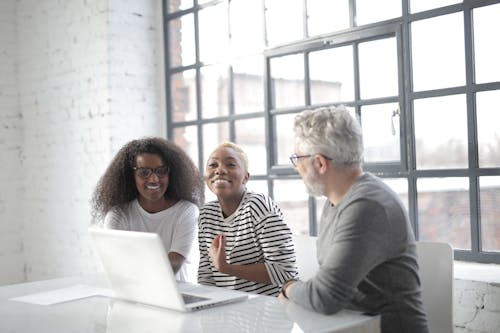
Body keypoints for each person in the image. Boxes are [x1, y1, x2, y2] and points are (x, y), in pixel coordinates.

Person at [280, 107, 429, 333]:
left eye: (297, 158)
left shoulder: (367, 206)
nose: (296, 167)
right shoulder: (335, 200)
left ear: (320, 163)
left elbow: (324, 297)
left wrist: (289, 287)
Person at [91, 137, 204, 282]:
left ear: (171, 173)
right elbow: (117, 268)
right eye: (144, 172)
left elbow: (173, 265)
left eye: (161, 171)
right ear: (131, 176)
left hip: (179, 298)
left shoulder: (186, 211)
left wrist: (132, 269)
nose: (154, 179)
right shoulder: (118, 215)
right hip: (133, 296)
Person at [197, 142, 298, 295]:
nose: (220, 170)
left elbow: (285, 272)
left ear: (245, 177)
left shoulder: (258, 206)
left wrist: (226, 268)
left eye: (230, 164)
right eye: (213, 165)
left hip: (268, 311)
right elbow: (206, 275)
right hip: (227, 311)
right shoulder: (206, 214)